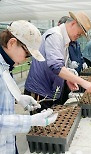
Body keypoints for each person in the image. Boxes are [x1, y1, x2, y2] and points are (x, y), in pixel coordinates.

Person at [0, 20, 58, 154]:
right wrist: (30, 120)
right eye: (27, 54)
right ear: (12, 43)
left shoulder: (5, 66)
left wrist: (18, 98)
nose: (27, 59)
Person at [24, 11, 91, 110]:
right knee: (40, 124)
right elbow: (56, 66)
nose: (79, 37)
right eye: (79, 34)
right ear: (73, 23)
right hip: (40, 92)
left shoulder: (64, 39)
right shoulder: (55, 35)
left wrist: (67, 79)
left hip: (49, 90)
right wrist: (83, 82)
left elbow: (60, 65)